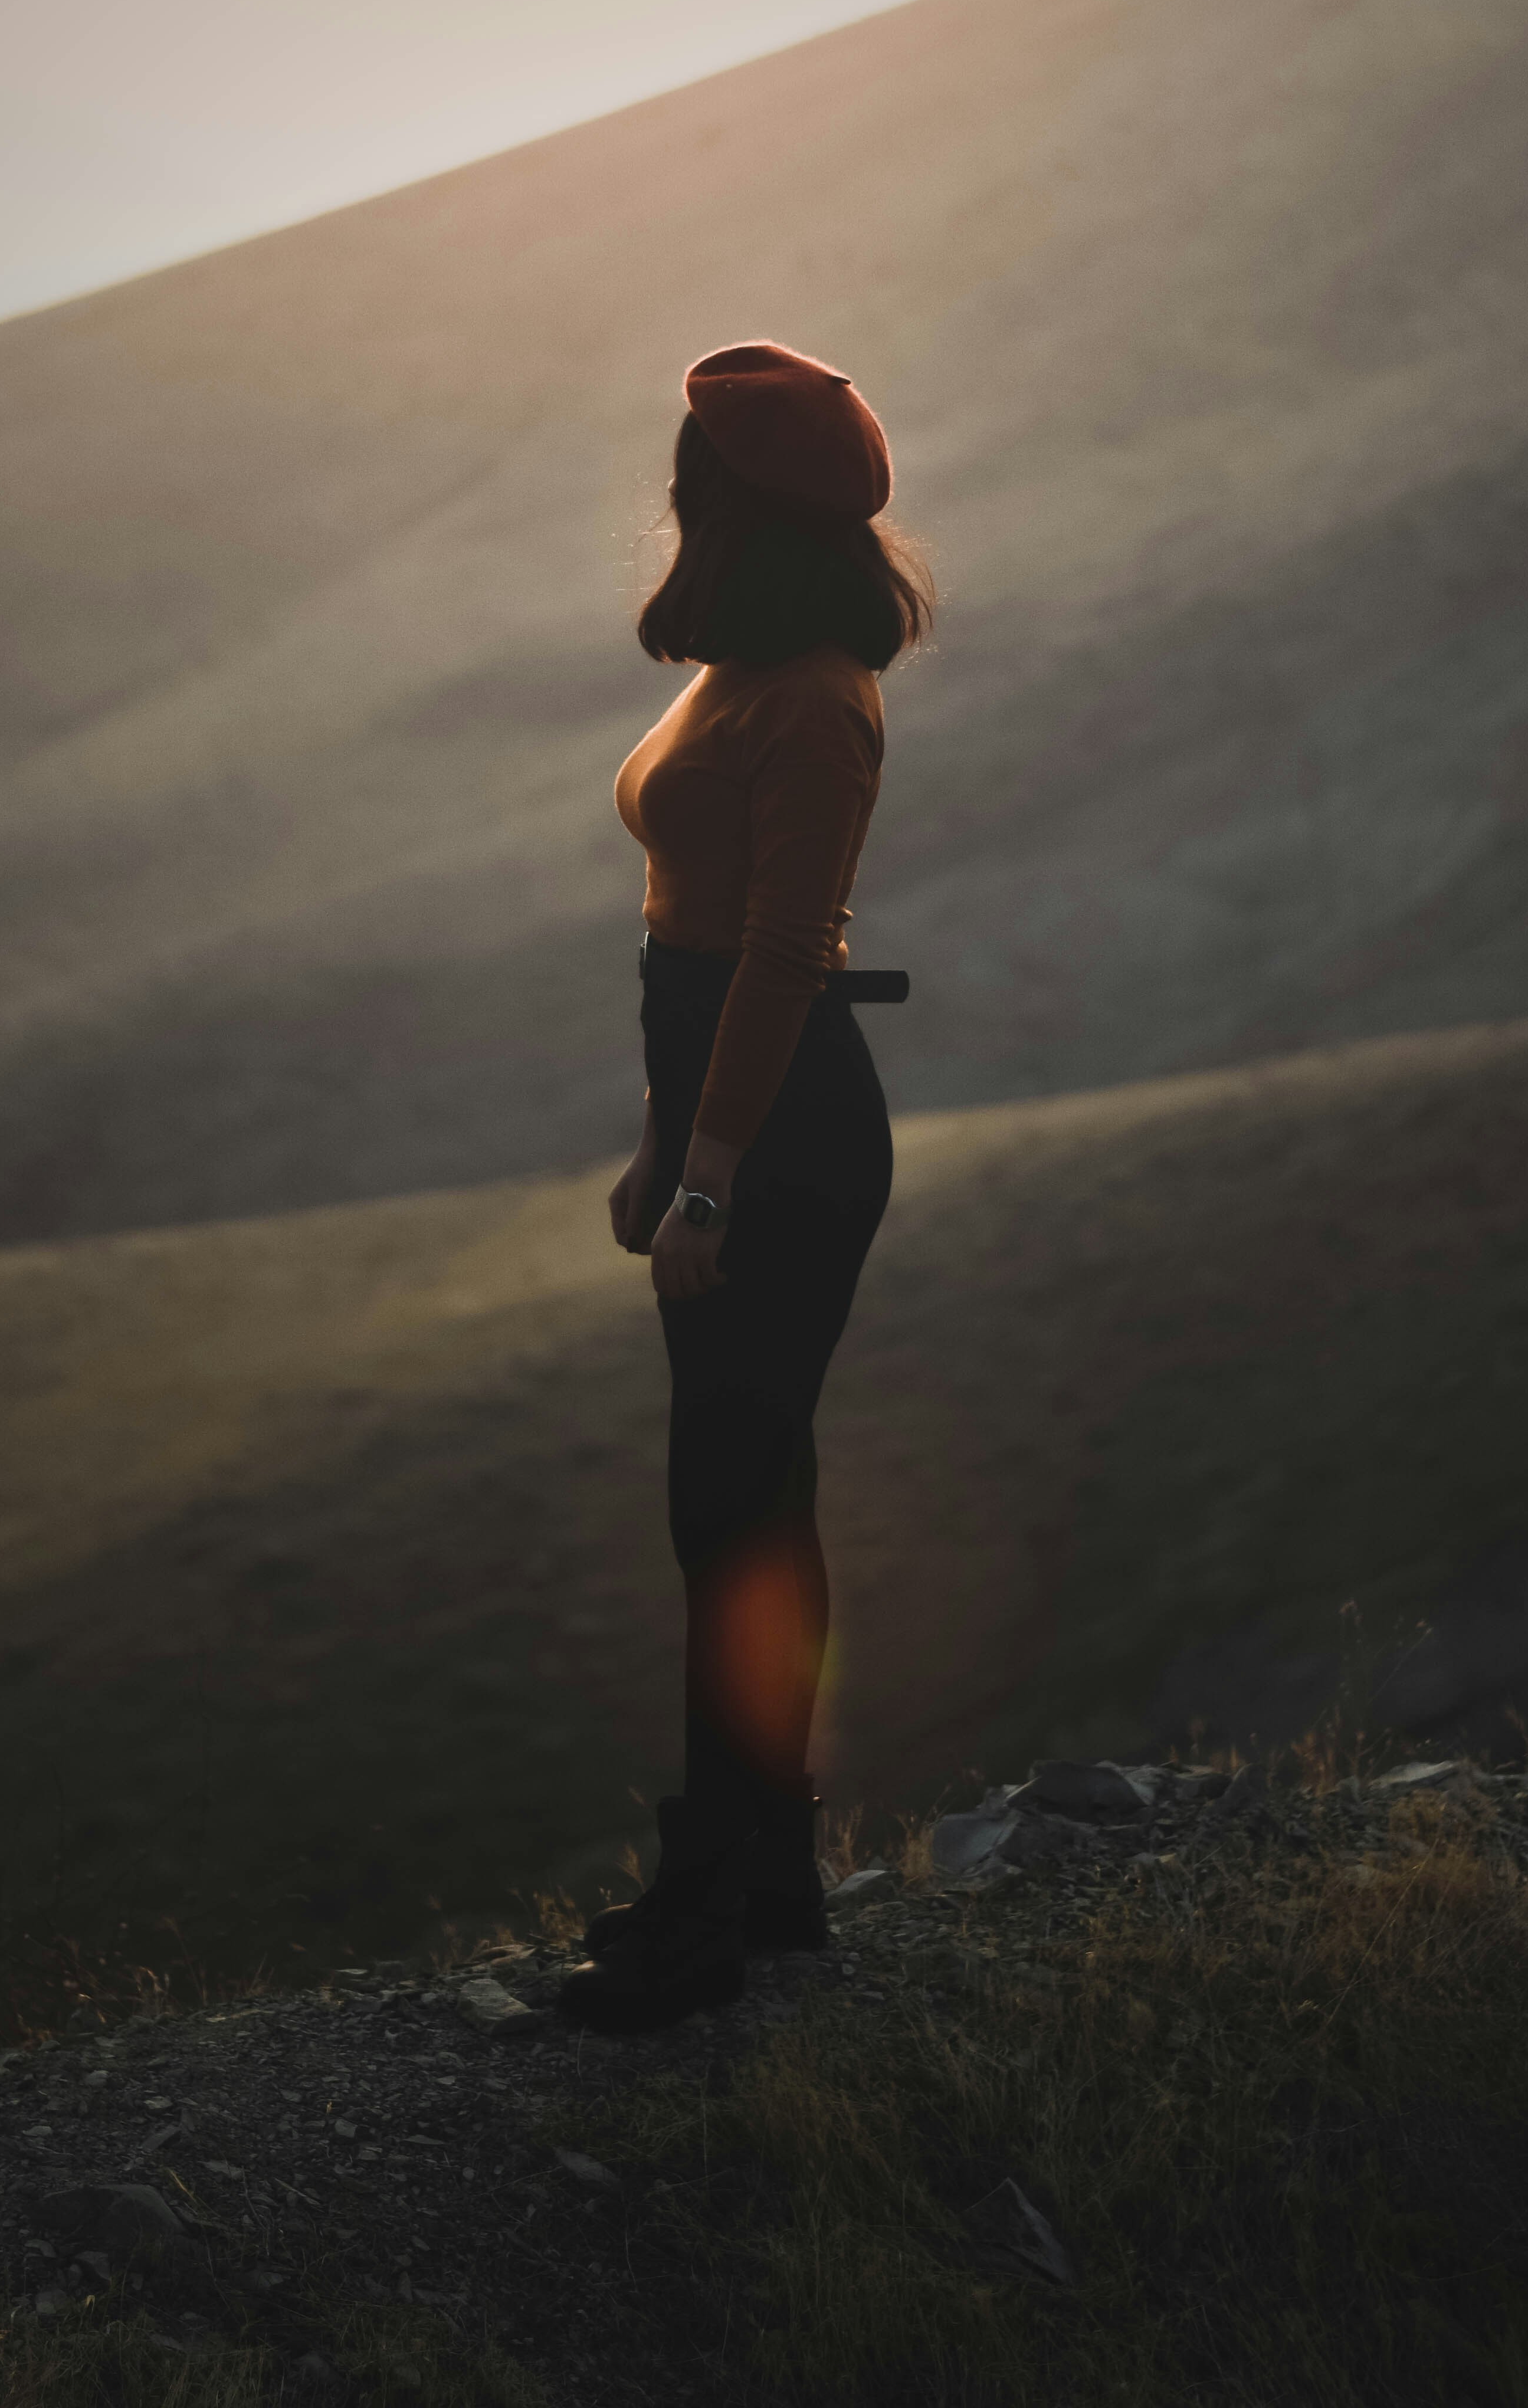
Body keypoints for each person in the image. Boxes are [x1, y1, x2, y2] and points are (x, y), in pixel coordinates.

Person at [559, 338, 932, 2032]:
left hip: (784, 1131)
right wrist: (661, 1140)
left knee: (734, 1498)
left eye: (692, 476)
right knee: (738, 1497)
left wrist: (709, 1177)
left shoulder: (816, 702)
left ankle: (718, 1904)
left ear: (737, 508)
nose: (670, 495)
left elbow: (782, 954)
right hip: (724, 1106)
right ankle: (758, 1887)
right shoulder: (739, 671)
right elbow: (682, 941)